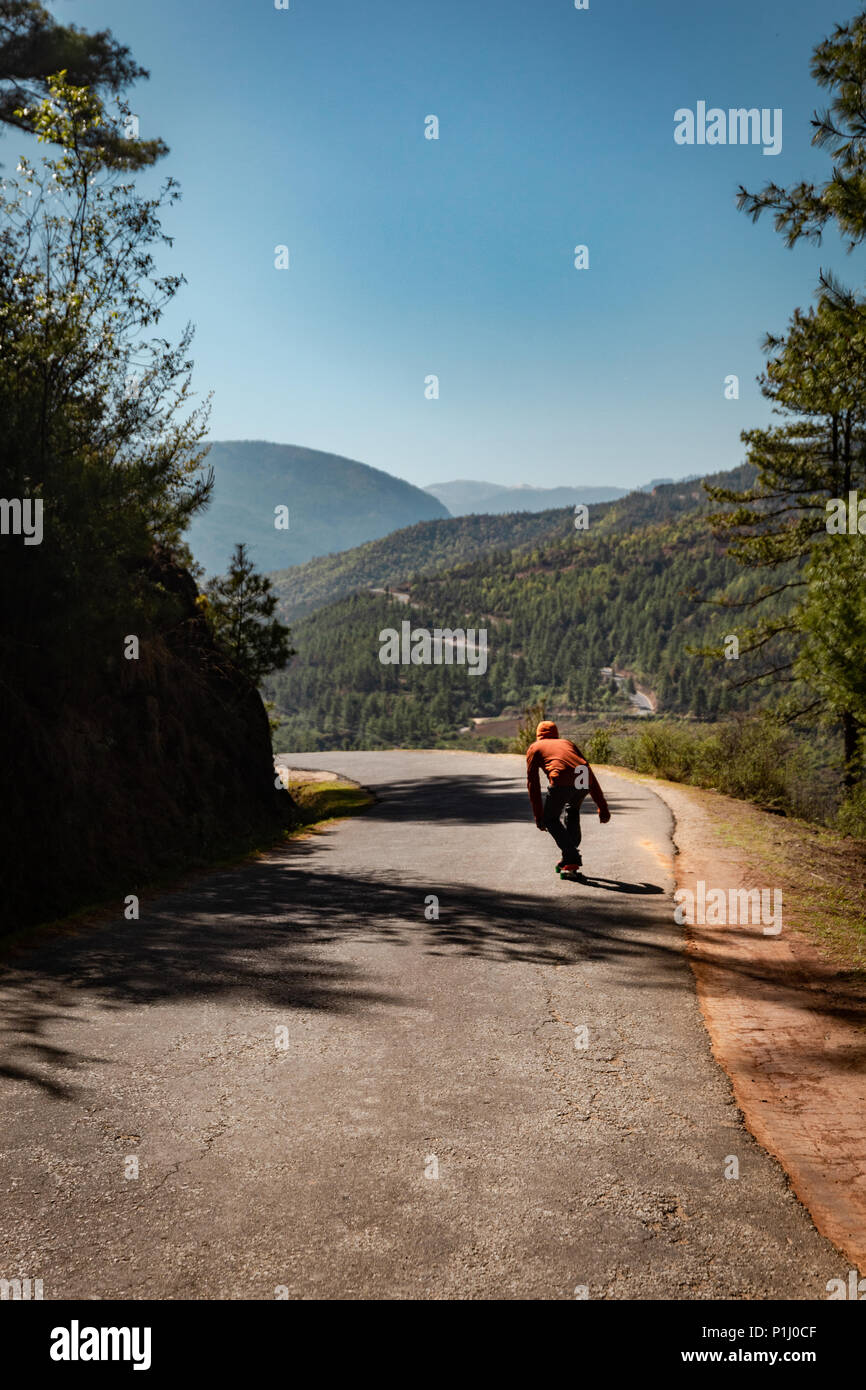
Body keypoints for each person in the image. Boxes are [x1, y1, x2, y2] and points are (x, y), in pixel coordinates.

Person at [525, 720, 610, 873]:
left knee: (550, 819)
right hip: (583, 776)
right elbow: (588, 770)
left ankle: (571, 855)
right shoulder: (567, 743)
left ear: (538, 735)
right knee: (572, 810)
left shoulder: (535, 747)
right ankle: (569, 856)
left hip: (561, 776)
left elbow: (533, 784)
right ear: (556, 734)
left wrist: (539, 816)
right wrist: (602, 807)